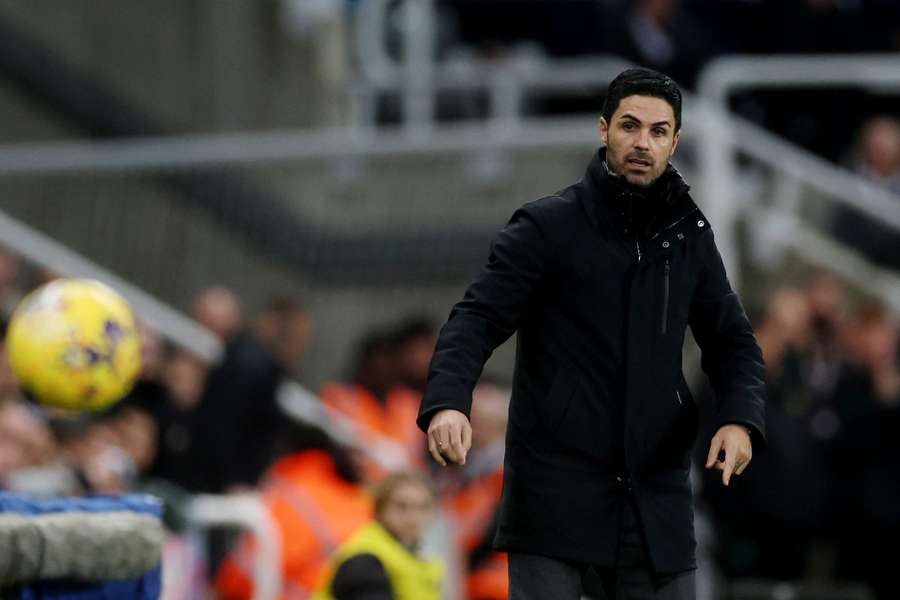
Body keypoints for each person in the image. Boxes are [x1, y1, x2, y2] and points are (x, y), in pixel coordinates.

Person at [417, 68, 766, 599]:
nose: (642, 143)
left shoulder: (688, 235)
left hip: (655, 501)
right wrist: (448, 401)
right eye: (629, 126)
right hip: (555, 498)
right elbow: (476, 318)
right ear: (603, 130)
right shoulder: (545, 227)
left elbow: (733, 343)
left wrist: (739, 419)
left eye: (657, 131)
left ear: (676, 142)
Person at [312, 470, 444, 600]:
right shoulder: (365, 560)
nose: (413, 517)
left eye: (422, 507)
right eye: (401, 506)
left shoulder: (419, 559)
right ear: (380, 509)